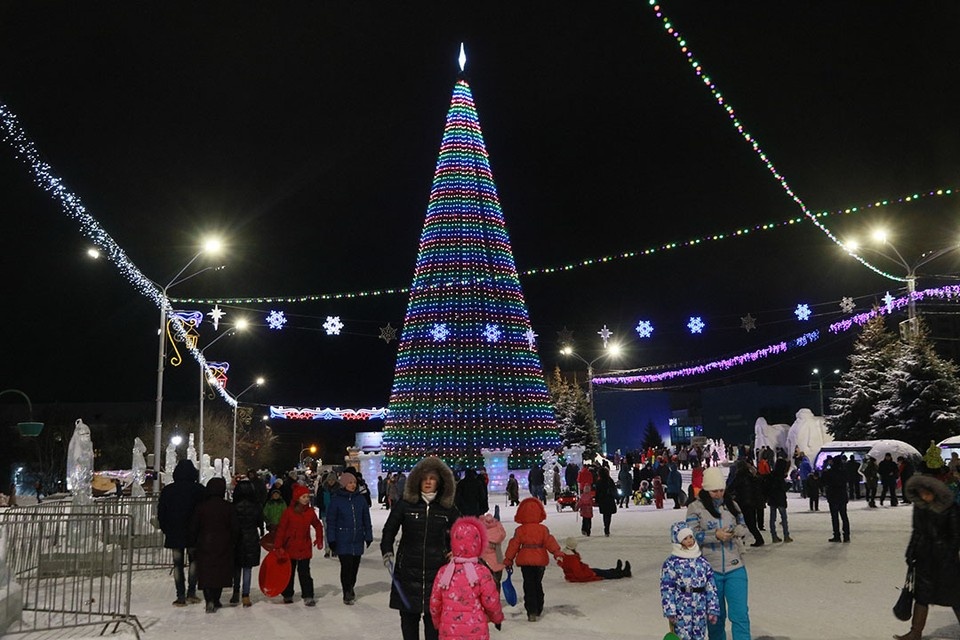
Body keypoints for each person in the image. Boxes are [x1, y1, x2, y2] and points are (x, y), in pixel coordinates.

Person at [381, 456, 460, 640]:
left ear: (439, 482)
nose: (428, 482)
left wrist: (458, 551)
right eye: (424, 478)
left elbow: (463, 533)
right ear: (417, 480)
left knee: (434, 624)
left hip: (438, 573)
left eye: (432, 478)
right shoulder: (405, 505)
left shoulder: (447, 508)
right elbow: (389, 530)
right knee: (409, 621)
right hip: (408, 571)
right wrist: (387, 551)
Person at [685, 466, 751, 640]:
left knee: (740, 615)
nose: (719, 494)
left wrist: (738, 530)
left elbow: (744, 527)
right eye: (714, 490)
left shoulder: (732, 505)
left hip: (735, 567)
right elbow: (690, 536)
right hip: (710, 570)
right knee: (715, 617)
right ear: (706, 490)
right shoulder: (695, 508)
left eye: (722, 490)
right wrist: (714, 535)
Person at [893, 473, 960, 640]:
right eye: (920, 493)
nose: (924, 496)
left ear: (934, 491)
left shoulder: (950, 507)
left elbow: (956, 535)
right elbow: (917, 531)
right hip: (924, 559)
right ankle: (915, 632)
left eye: (926, 493)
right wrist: (911, 552)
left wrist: (947, 553)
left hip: (946, 561)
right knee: (922, 597)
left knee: (955, 597)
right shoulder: (920, 507)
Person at [428, 516, 504, 640]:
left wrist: (438, 622)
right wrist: (497, 618)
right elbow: (491, 601)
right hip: (476, 631)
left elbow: (435, 603)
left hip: (449, 631)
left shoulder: (444, 572)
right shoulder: (482, 572)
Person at [503, 497, 563, 622]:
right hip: (540, 560)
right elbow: (549, 541)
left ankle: (531, 610)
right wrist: (557, 552)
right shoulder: (543, 529)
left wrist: (509, 559)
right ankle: (539, 606)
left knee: (528, 585)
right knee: (537, 584)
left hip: (525, 560)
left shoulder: (520, 530)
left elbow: (513, 545)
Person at [157, 459, 206, 606]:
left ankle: (180, 595)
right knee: (194, 562)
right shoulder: (199, 490)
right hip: (194, 533)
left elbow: (162, 513)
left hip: (174, 532)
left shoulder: (168, 490)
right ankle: (191, 592)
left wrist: (166, 528)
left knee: (177, 564)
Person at [660, 522, 719, 640]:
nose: (689, 541)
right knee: (683, 636)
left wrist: (712, 608)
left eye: (691, 537)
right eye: (685, 538)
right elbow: (667, 587)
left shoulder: (702, 561)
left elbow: (710, 585)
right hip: (681, 606)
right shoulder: (672, 563)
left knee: (699, 635)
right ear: (678, 541)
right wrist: (670, 610)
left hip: (700, 605)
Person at [190, 477, 238, 613]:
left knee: (206, 572)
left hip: (204, 542)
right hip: (223, 543)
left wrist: (193, 542)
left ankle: (208, 598)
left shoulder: (201, 507)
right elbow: (234, 527)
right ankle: (216, 598)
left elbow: (194, 526)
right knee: (220, 573)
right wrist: (233, 541)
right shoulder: (228, 507)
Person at [327, 471, 373, 605]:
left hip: (357, 538)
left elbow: (366, 518)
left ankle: (351, 586)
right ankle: (347, 590)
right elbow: (331, 521)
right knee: (346, 566)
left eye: (354, 483)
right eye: (350, 483)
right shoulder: (336, 500)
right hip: (343, 538)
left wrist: (368, 535)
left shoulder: (360, 499)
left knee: (354, 567)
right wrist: (332, 539)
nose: (353, 485)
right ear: (344, 484)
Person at [274, 483, 323, 606]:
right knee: (289, 573)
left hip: (304, 547)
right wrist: (278, 546)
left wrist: (319, 538)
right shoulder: (288, 512)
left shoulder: (310, 512)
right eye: (303, 497)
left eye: (307, 496)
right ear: (297, 498)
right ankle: (287, 594)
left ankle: (308, 595)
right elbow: (281, 530)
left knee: (305, 573)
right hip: (290, 547)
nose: (306, 499)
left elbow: (317, 525)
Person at [230, 479, 263, 607]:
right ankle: (245, 595)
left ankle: (235, 592)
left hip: (237, 538)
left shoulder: (234, 506)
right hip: (250, 537)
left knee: (237, 567)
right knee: (247, 568)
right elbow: (260, 522)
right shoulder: (256, 505)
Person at [557, 537, 630, 581]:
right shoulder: (571, 558)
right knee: (603, 574)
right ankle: (623, 573)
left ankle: (616, 570)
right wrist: (591, 574)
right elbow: (579, 574)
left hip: (578, 573)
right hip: (578, 576)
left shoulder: (567, 555)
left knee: (600, 571)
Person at [730, 459, 764, 547]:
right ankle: (758, 539)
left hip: (743, 503)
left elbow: (731, 487)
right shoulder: (750, 476)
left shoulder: (739, 476)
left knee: (742, 522)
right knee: (751, 523)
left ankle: (746, 540)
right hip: (752, 502)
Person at [822, 455, 850, 543]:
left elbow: (823, 480)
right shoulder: (844, 471)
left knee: (835, 517)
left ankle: (837, 535)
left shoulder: (829, 472)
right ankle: (846, 536)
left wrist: (827, 469)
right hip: (842, 496)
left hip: (833, 496)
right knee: (844, 516)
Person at [478, 512, 506, 592]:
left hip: (483, 560)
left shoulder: (480, 531)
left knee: (484, 583)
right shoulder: (498, 530)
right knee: (497, 581)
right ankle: (496, 597)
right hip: (498, 559)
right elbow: (503, 534)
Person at [767, 454, 792, 543]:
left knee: (772, 519)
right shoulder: (780, 477)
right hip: (780, 499)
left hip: (772, 499)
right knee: (784, 519)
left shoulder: (771, 475)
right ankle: (786, 536)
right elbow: (783, 488)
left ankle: (774, 536)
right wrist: (789, 484)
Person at [594, 465, 618, 536]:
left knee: (605, 515)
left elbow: (597, 492)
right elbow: (614, 490)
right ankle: (607, 528)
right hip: (609, 499)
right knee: (609, 515)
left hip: (603, 500)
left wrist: (597, 500)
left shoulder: (599, 482)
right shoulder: (610, 480)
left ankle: (606, 527)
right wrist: (617, 497)